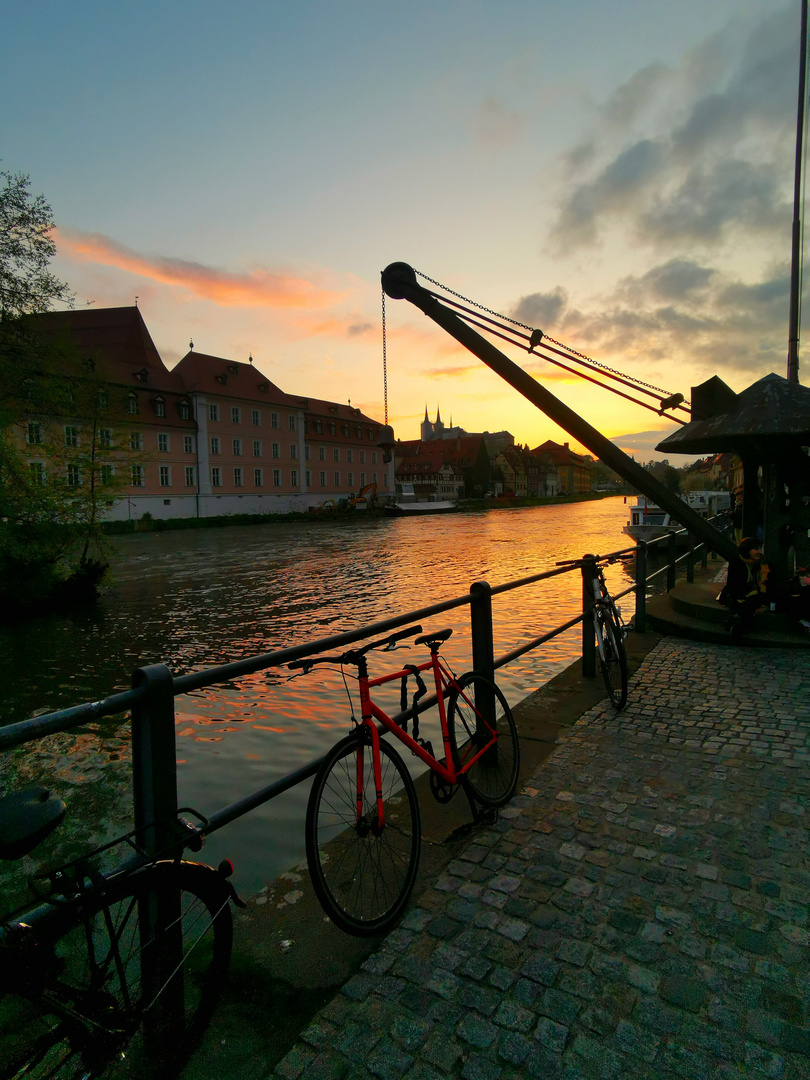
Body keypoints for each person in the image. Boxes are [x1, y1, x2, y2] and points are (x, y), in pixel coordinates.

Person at [720, 537, 771, 636]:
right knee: (746, 605)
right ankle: (740, 624)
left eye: (759, 549)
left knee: (750, 603)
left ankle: (736, 622)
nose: (759, 552)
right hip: (741, 595)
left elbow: (767, 584)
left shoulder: (763, 565)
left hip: (754, 594)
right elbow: (733, 586)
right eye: (756, 549)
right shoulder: (737, 564)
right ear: (747, 551)